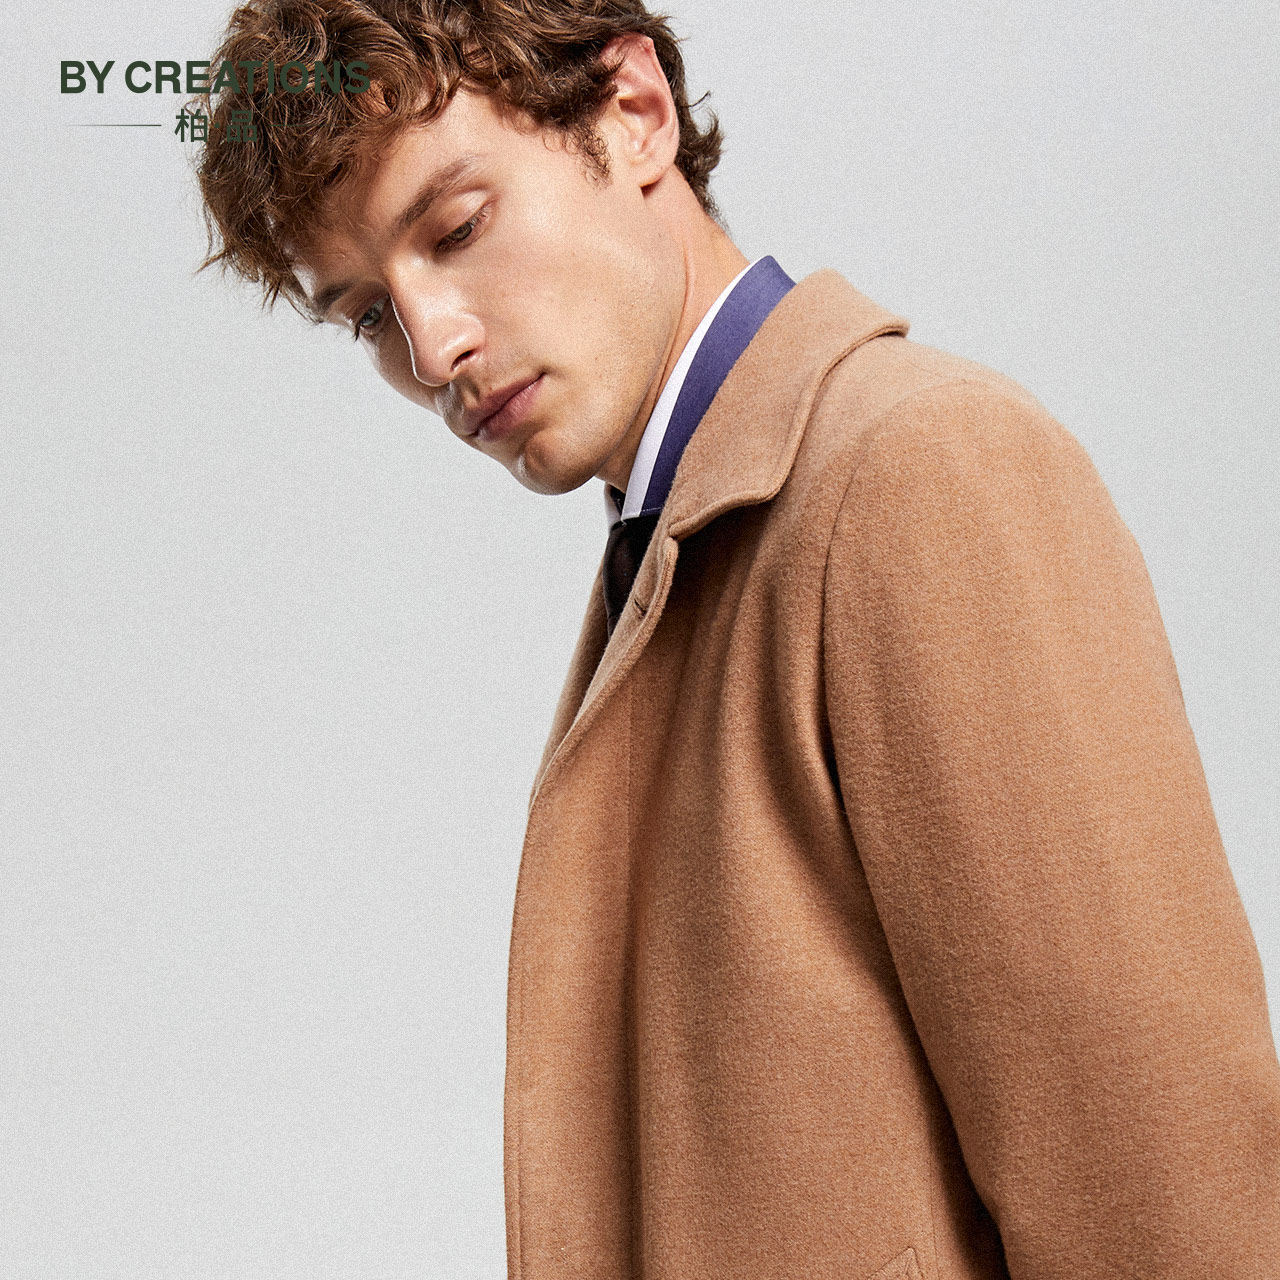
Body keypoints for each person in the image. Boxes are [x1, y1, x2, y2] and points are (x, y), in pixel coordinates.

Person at [191, 2, 1280, 1275]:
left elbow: (1161, 1182)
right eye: (369, 313)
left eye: (459, 228)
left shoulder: (917, 471)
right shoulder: (684, 541)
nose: (435, 348)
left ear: (632, 112)